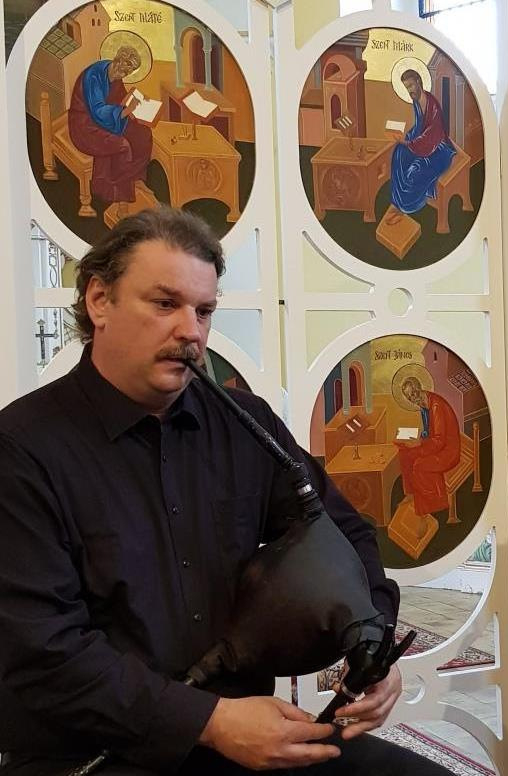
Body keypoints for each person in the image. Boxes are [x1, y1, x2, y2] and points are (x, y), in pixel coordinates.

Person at [0, 208, 453, 776]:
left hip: (247, 739)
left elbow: (343, 532)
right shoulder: (22, 448)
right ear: (99, 300)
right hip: (96, 753)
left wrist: (372, 638)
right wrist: (209, 722)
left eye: (204, 310)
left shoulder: (245, 423)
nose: (191, 331)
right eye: (164, 304)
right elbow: (45, 653)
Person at [68, 47, 153, 215]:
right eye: (126, 67)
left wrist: (139, 102)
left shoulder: (115, 75)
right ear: (118, 60)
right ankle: (120, 198)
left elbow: (120, 99)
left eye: (130, 70)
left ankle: (135, 177)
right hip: (85, 125)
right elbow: (98, 111)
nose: (126, 72)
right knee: (122, 145)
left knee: (143, 135)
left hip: (107, 121)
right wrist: (126, 111)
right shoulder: (94, 76)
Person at [385, 69, 456, 226]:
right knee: (399, 154)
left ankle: (406, 207)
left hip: (439, 151)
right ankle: (397, 202)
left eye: (411, 85)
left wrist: (407, 143)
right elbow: (418, 128)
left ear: (418, 82)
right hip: (421, 145)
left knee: (415, 169)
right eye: (406, 87)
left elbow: (431, 137)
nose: (409, 90)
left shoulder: (433, 106)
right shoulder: (417, 102)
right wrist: (404, 139)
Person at [394, 376, 460, 517]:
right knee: (405, 454)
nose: (412, 398)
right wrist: (416, 439)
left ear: (419, 388)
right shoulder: (424, 405)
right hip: (435, 445)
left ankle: (434, 504)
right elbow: (429, 431)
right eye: (409, 397)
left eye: (413, 393)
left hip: (448, 450)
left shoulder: (435, 406)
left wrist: (419, 444)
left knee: (419, 465)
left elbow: (439, 441)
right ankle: (411, 494)